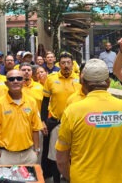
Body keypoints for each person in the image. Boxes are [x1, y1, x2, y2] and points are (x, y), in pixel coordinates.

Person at [55, 59, 122, 183]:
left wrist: (73, 178)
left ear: (83, 82)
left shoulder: (72, 112)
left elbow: (61, 160)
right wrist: (121, 156)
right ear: (108, 82)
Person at [0, 69, 42, 165]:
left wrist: (36, 150)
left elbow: (35, 128)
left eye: (19, 78)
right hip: (6, 156)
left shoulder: (31, 102)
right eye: (11, 79)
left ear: (23, 82)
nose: (15, 81)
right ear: (6, 83)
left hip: (28, 155)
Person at [41, 51, 80, 183]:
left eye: (68, 63)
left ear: (73, 64)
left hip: (76, 124)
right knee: (55, 155)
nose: (66, 65)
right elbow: (45, 101)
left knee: (74, 155)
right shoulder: (51, 79)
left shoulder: (80, 79)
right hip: (57, 123)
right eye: (63, 63)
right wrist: (43, 121)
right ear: (59, 64)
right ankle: (56, 180)